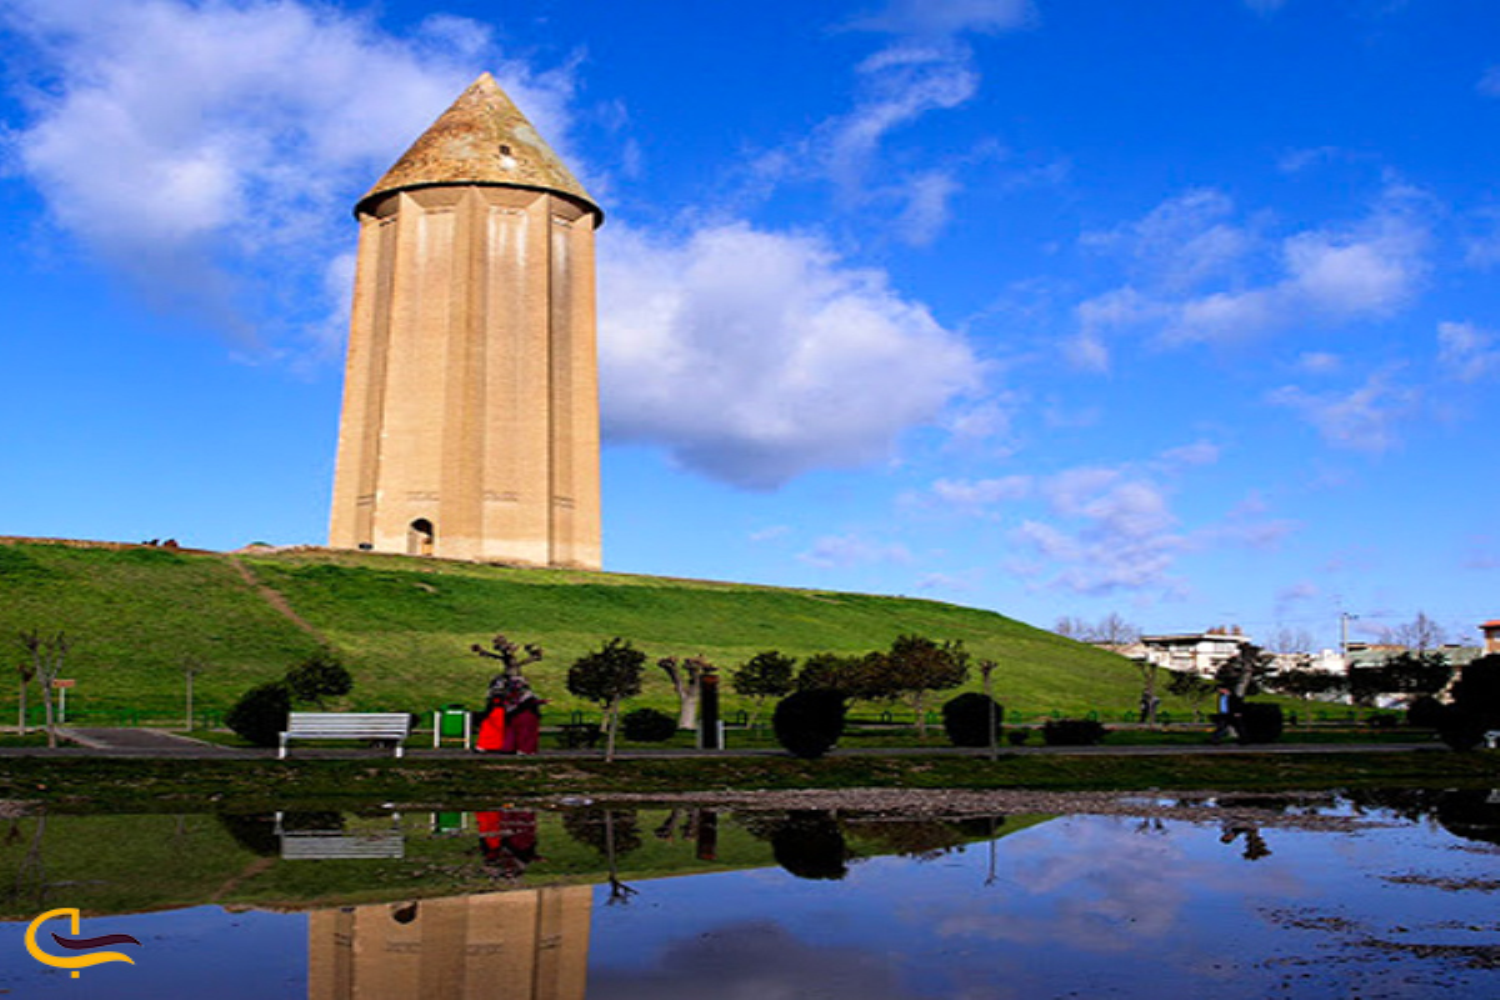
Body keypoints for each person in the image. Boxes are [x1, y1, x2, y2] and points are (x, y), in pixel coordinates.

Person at [501, 677, 547, 755]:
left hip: (514, 715)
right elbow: (528, 703)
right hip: (526, 715)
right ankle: (524, 749)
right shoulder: (525, 694)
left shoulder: (508, 693)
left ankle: (514, 748)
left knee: (515, 732)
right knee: (525, 732)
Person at [474, 675, 509, 752]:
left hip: (494, 709)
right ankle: (496, 746)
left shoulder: (493, 691)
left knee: (488, 728)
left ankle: (485, 746)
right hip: (501, 710)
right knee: (498, 729)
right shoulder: (507, 689)